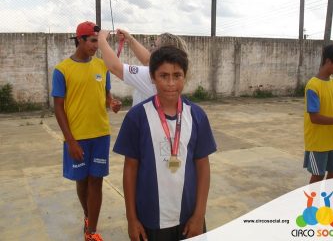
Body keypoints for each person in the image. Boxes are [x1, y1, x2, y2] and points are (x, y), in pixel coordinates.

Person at [114, 46, 216, 241]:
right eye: (164, 76)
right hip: (151, 220)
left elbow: (203, 166)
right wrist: (131, 219)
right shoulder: (137, 117)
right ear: (152, 77)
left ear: (185, 77)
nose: (171, 83)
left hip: (188, 218)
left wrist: (199, 214)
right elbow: (130, 169)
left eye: (177, 75)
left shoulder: (196, 115)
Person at [51, 21, 121, 241]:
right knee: (82, 181)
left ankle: (91, 231)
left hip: (100, 134)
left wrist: (112, 103)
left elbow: (106, 94)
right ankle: (87, 216)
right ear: (79, 40)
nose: (95, 46)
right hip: (77, 137)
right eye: (92, 41)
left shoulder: (102, 66)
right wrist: (70, 141)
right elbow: (58, 108)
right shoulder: (62, 70)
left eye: (97, 42)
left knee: (96, 180)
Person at [98, 29, 188, 106]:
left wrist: (101, 39)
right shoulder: (168, 70)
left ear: (164, 52)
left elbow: (115, 67)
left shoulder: (149, 75)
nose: (151, 48)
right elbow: (147, 60)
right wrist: (129, 39)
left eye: (155, 46)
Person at [303, 44, 333, 184]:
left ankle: (327, 202)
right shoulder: (313, 86)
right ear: (328, 61)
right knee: (318, 176)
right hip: (318, 141)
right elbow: (315, 117)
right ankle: (312, 205)